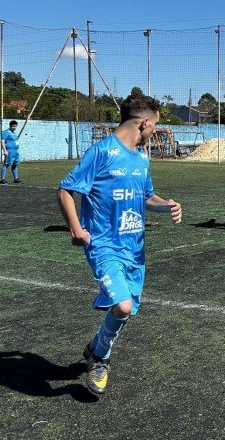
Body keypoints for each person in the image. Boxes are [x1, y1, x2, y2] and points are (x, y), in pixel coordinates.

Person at [57, 94, 182, 396]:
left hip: (135, 249)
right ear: (144, 123)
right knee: (122, 304)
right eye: (155, 126)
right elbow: (65, 190)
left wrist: (167, 205)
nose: (154, 132)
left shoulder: (141, 158)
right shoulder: (102, 152)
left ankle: (95, 348)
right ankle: (100, 358)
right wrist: (75, 228)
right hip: (104, 246)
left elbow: (147, 197)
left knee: (126, 311)